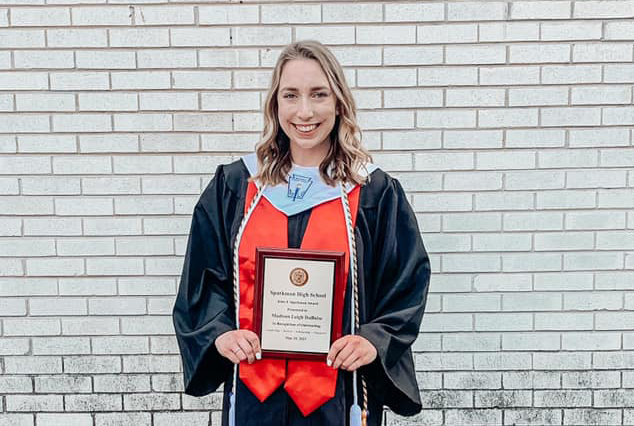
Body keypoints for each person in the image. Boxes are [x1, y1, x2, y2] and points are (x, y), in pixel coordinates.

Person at [172, 40, 431, 426]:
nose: (304, 111)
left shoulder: (373, 193)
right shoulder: (236, 187)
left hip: (339, 396)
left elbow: (405, 283)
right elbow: (202, 279)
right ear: (275, 105)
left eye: (319, 95)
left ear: (339, 102)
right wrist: (219, 334)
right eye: (290, 95)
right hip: (252, 394)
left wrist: (373, 341)